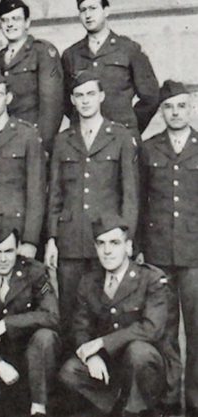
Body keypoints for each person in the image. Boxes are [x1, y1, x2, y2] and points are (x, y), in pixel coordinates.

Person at [45, 70, 139, 344]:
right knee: (70, 313)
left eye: (90, 94)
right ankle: (71, 381)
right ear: (72, 100)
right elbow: (55, 194)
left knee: (107, 311)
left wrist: (128, 237)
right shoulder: (63, 140)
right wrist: (51, 238)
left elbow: (129, 195)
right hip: (71, 240)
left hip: (107, 242)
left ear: (101, 96)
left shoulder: (119, 136)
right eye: (79, 95)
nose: (85, 100)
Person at [59, 214, 170, 417]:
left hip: (143, 366)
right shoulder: (89, 282)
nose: (107, 250)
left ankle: (138, 409)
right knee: (69, 371)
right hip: (110, 368)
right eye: (101, 244)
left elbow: (151, 328)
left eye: (114, 243)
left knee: (138, 352)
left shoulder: (151, 279)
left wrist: (102, 343)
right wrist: (91, 355)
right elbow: (80, 327)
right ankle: (118, 404)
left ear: (128, 247)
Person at [138, 80, 195, 417]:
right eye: (169, 107)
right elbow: (142, 202)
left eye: (181, 106)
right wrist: (141, 247)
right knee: (164, 330)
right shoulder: (148, 148)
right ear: (162, 111)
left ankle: (196, 400)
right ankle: (170, 401)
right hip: (159, 252)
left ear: (192, 108)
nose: (175, 113)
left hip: (195, 253)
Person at [0, 216, 59, 417]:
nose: (3, 258)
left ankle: (38, 409)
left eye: (9, 251)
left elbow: (52, 316)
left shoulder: (35, 271)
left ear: (18, 248)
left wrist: (9, 323)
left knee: (45, 337)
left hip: (29, 359)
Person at [0, 69, 46, 260]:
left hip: (17, 234)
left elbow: (36, 192)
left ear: (9, 97)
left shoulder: (27, 135)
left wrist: (30, 240)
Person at [62, 0, 159, 136]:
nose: (88, 15)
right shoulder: (71, 55)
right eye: (83, 10)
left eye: (93, 8)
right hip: (85, 139)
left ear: (106, 11)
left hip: (121, 138)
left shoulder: (129, 49)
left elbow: (151, 96)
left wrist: (129, 127)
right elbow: (65, 100)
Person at [0, 0, 64, 153]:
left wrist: (41, 145)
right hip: (5, 145)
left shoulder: (43, 52)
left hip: (33, 143)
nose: (10, 24)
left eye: (15, 19)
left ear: (27, 23)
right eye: (5, 20)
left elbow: (52, 107)